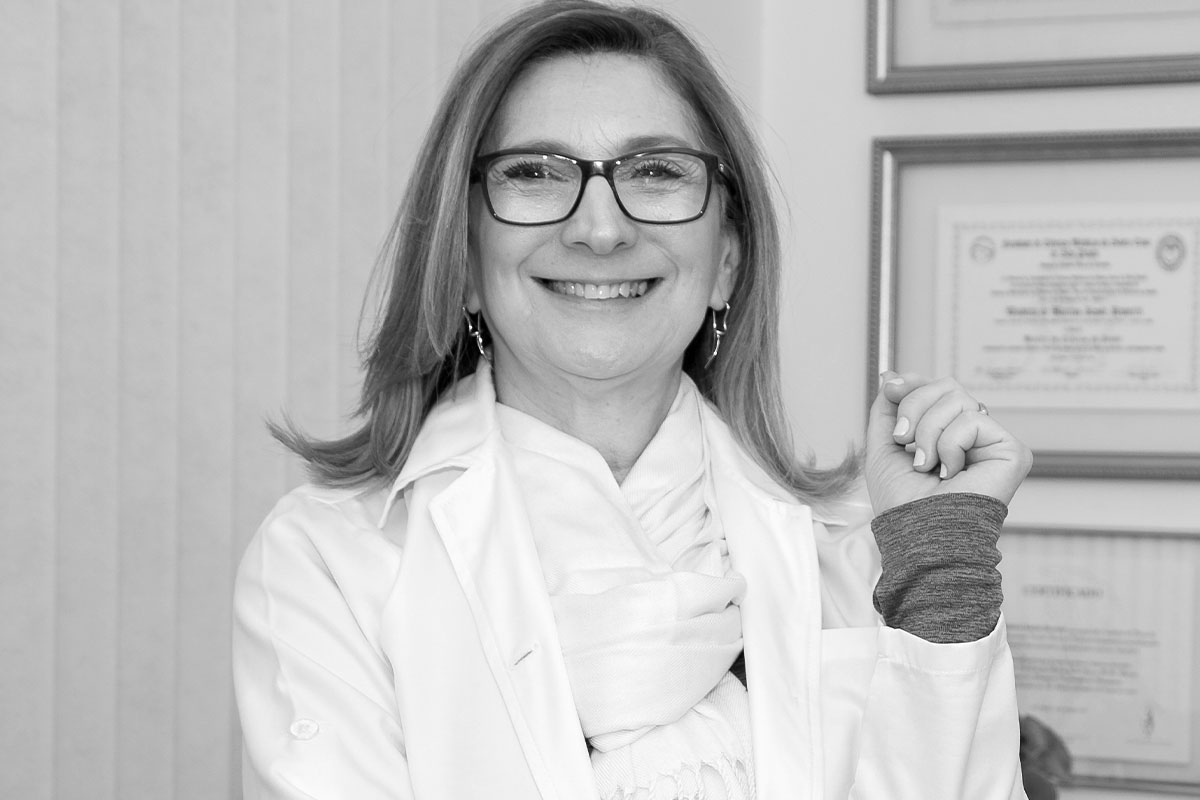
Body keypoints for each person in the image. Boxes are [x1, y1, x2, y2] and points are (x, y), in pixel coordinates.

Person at [232, 1, 1034, 798]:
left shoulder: (860, 553)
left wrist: (941, 571)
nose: (601, 229)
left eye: (655, 172)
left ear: (726, 260)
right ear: (465, 258)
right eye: (535, 173)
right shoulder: (330, 561)